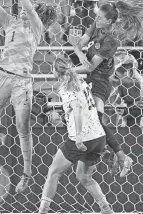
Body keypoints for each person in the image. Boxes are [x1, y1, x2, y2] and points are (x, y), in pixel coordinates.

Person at [0, 0, 58, 193]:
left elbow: (30, 11)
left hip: (22, 81)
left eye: (24, 7)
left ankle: (26, 174)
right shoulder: (10, 23)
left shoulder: (36, 28)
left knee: (23, 127)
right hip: (1, 76)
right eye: (19, 7)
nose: (21, 10)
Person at [73, 0, 143, 177]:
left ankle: (118, 156)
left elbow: (91, 67)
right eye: (97, 16)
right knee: (91, 122)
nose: (96, 19)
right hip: (89, 81)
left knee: (95, 121)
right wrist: (78, 53)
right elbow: (78, 45)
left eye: (99, 17)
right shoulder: (96, 25)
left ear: (109, 21)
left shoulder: (111, 41)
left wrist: (68, 70)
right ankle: (111, 155)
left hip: (100, 83)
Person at [38, 56, 113, 214]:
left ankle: (42, 211)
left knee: (54, 171)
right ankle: (106, 209)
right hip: (98, 137)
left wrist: (78, 136)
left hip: (82, 138)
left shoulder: (66, 87)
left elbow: (77, 108)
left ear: (55, 71)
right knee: (84, 176)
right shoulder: (81, 81)